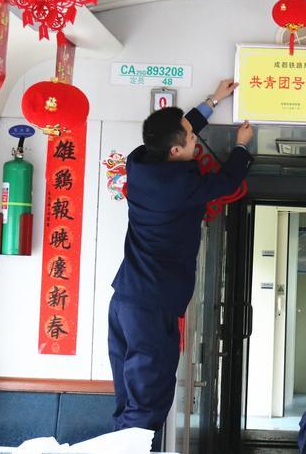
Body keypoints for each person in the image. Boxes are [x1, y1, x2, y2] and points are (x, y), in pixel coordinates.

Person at [108, 79, 253, 450]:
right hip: (151, 306)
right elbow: (229, 180)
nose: (195, 140)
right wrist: (241, 145)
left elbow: (175, 131)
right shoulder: (180, 188)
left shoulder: (139, 164)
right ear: (175, 150)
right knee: (147, 401)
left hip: (126, 299)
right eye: (191, 138)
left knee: (131, 400)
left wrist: (213, 101)